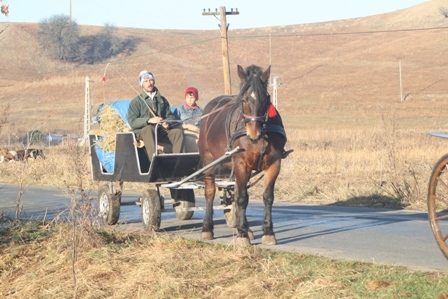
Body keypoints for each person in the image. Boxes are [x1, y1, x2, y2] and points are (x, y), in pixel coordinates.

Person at [127, 70, 184, 161]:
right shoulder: (136, 102)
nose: (149, 83)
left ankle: (177, 162)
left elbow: (170, 116)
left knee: (178, 132)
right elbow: (132, 121)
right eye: (146, 81)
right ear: (141, 84)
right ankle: (156, 162)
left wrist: (167, 122)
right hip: (144, 132)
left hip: (160, 130)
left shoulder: (162, 100)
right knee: (149, 129)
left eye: (150, 80)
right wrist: (149, 120)